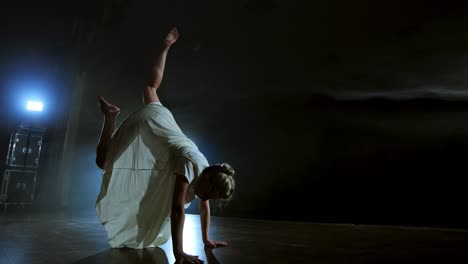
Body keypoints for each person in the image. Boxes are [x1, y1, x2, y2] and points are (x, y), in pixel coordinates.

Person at [94, 27, 235, 264]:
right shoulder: (190, 166)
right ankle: (110, 117)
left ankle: (166, 46)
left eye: (211, 196)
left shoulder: (206, 173)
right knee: (102, 162)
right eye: (209, 192)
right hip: (150, 126)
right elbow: (177, 210)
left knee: (150, 88)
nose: (205, 197)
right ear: (207, 177)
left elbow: (204, 207)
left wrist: (206, 239)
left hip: (165, 122)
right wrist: (178, 253)